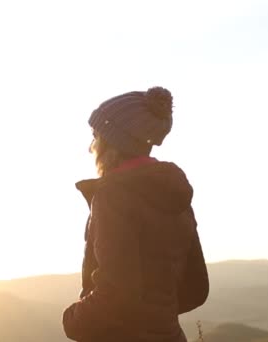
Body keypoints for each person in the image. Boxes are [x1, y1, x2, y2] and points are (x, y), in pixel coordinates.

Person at [62, 86, 209, 342]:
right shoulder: (175, 195)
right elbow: (196, 289)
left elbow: (117, 292)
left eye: (95, 136)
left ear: (112, 143)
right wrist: (156, 316)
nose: (90, 147)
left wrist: (73, 320)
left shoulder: (113, 195)